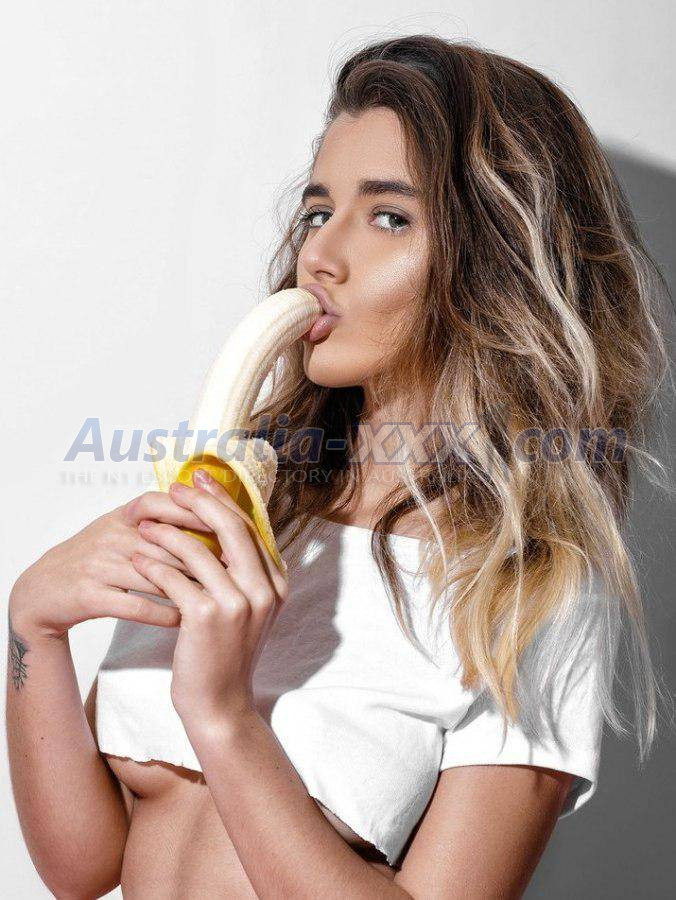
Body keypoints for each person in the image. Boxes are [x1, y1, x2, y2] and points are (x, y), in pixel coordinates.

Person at [7, 34, 672, 898]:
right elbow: (83, 866)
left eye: (389, 216)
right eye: (319, 211)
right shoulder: (243, 497)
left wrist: (224, 717)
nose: (320, 254)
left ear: (496, 262)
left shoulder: (527, 588)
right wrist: (32, 630)